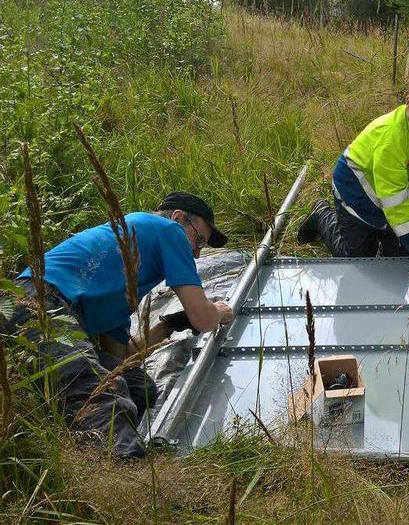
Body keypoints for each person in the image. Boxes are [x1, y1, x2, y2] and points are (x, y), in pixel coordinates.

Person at [0, 191, 235, 459]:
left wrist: (170, 324)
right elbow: (203, 319)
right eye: (198, 240)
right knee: (102, 394)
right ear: (179, 217)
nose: (196, 253)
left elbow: (123, 356)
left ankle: (81, 458)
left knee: (137, 387)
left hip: (46, 311)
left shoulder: (121, 276)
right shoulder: (167, 229)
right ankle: (127, 474)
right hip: (38, 303)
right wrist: (217, 311)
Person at [298, 76, 409, 277]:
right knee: (357, 261)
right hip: (355, 186)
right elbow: (395, 201)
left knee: (399, 256)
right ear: (408, 102)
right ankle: (321, 214)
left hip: (388, 194)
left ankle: (388, 233)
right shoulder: (390, 138)